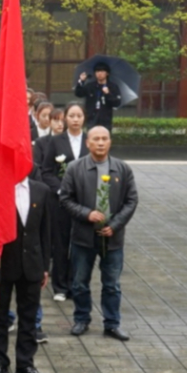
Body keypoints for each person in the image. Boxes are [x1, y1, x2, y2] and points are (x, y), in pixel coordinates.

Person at [60, 126, 139, 341]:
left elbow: (131, 200)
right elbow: (65, 199)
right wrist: (87, 214)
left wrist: (115, 224)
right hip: (83, 237)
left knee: (112, 284)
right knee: (79, 282)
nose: (101, 143)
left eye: (105, 139)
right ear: (88, 143)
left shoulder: (122, 169)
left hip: (112, 238)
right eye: (96, 139)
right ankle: (82, 319)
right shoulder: (75, 169)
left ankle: (112, 323)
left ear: (110, 142)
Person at [0, 175, 53, 373]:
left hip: (31, 264)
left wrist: (45, 267)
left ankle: (25, 364)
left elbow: (46, 231)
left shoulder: (41, 190)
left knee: (29, 317)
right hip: (2, 265)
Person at [40, 102, 87, 301]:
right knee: (60, 243)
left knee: (81, 244)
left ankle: (77, 285)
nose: (75, 119)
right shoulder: (56, 141)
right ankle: (60, 286)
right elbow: (46, 171)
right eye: (72, 116)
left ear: (84, 118)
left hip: (84, 201)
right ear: (65, 118)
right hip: (60, 200)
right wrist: (60, 189)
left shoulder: (90, 140)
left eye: (79, 116)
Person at [74, 62, 122, 132]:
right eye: (97, 71)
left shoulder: (112, 87)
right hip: (91, 119)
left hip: (105, 120)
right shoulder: (90, 86)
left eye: (102, 71)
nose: (99, 73)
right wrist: (81, 81)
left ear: (107, 73)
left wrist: (108, 94)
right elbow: (78, 93)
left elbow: (117, 103)